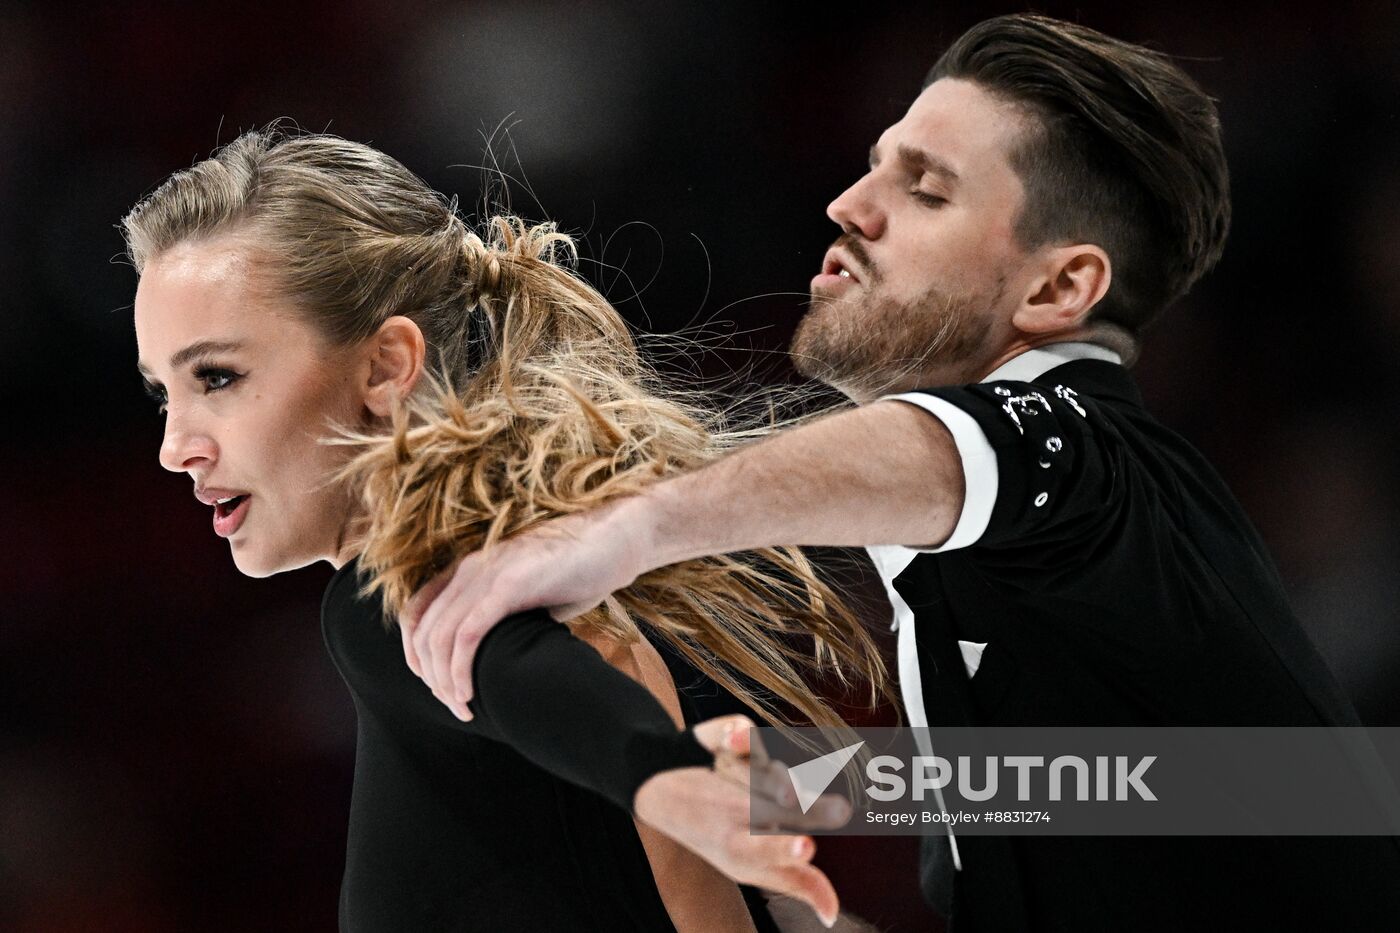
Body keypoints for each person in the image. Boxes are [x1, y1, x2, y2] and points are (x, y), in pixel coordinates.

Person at [396, 13, 1400, 931]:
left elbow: (951, 449)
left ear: (1058, 287)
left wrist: (615, 532)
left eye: (923, 189)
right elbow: (1114, 785)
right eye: (874, 168)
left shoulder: (1098, 454)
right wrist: (753, 812)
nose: (846, 205)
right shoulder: (1066, 633)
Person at [125, 125, 891, 932]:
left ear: (386, 366)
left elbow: (520, 677)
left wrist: (664, 776)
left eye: (218, 376)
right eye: (162, 393)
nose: (177, 447)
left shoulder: (397, 602)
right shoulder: (564, 589)